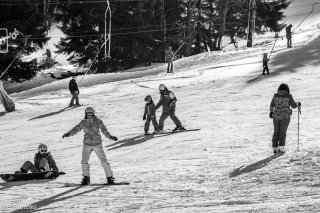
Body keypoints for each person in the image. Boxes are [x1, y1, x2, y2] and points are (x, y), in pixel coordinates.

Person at [62, 107, 118, 185]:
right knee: (84, 162)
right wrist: (68, 134)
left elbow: (104, 130)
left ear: (93, 114)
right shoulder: (83, 122)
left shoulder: (98, 121)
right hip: (87, 145)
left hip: (97, 144)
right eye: (88, 114)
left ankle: (110, 177)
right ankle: (86, 178)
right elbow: (76, 129)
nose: (89, 116)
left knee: (103, 161)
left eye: (91, 114)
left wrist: (110, 137)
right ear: (86, 114)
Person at [269, 83, 301, 155]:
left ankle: (275, 148)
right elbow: (293, 105)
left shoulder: (275, 95)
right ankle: (281, 147)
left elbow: (272, 105)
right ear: (287, 89)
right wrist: (298, 104)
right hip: (285, 116)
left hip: (276, 116)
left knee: (276, 131)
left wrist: (271, 112)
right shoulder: (288, 96)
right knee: (282, 131)